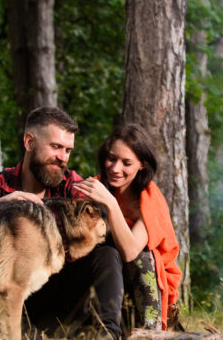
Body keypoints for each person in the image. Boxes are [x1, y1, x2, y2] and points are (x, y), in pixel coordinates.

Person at [0, 107, 124, 340]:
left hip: (57, 292)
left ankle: (107, 335)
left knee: (107, 254)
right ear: (29, 142)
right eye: (55, 147)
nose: (62, 157)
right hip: (8, 296)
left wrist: (110, 205)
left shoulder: (72, 187)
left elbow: (105, 235)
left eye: (67, 150)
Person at [73, 123, 182, 331]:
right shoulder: (97, 187)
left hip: (144, 281)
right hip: (105, 281)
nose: (115, 169)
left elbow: (131, 251)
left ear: (142, 165)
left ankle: (151, 331)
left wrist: (111, 204)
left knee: (142, 256)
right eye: (111, 158)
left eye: (126, 163)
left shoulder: (149, 199)